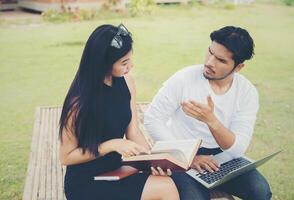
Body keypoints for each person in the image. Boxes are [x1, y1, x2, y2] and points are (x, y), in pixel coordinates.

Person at [144, 26, 272, 200]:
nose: (209, 62)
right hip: (182, 154)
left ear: (238, 67)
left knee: (260, 191)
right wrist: (189, 157)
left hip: (224, 157)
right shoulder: (184, 78)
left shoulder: (247, 92)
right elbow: (153, 119)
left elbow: (237, 148)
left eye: (220, 60)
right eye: (210, 52)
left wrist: (211, 121)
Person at [59, 24, 179, 200]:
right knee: (164, 188)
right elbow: (66, 157)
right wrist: (110, 145)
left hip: (118, 171)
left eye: (130, 59)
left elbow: (134, 132)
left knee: (166, 180)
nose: (131, 66)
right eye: (124, 62)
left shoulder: (127, 82)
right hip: (85, 183)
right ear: (104, 63)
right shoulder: (78, 102)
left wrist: (153, 161)